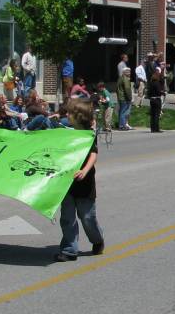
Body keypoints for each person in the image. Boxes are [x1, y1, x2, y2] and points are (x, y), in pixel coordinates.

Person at [54, 99, 105, 262]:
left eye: (69, 113)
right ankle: (70, 249)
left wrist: (85, 170)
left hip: (85, 184)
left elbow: (93, 154)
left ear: (78, 117)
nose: (66, 115)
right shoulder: (67, 132)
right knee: (67, 217)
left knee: (87, 218)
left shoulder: (88, 135)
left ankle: (97, 240)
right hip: (68, 183)